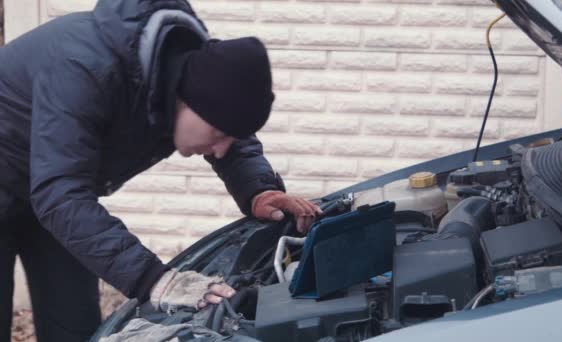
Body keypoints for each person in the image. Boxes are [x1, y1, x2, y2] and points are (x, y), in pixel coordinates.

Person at [0, 0, 321, 341]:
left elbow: (232, 136)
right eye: (218, 134)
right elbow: (60, 194)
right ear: (186, 100)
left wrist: (258, 190)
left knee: (76, 328)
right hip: (40, 186)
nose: (222, 148)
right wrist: (154, 279)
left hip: (51, 191)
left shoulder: (184, 70)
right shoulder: (85, 67)